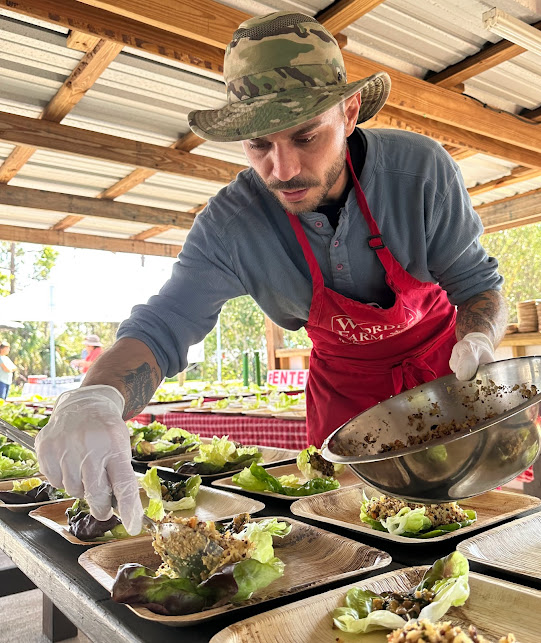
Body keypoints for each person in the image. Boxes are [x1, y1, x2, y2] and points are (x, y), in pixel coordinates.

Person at [35, 11, 507, 535]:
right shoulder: (231, 226)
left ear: (349, 113)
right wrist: (98, 395)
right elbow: (164, 325)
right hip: (344, 396)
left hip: (444, 378)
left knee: (471, 525)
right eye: (259, 145)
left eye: (306, 137)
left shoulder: (419, 173)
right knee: (349, 533)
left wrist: (480, 338)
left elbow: (476, 286)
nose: (283, 171)